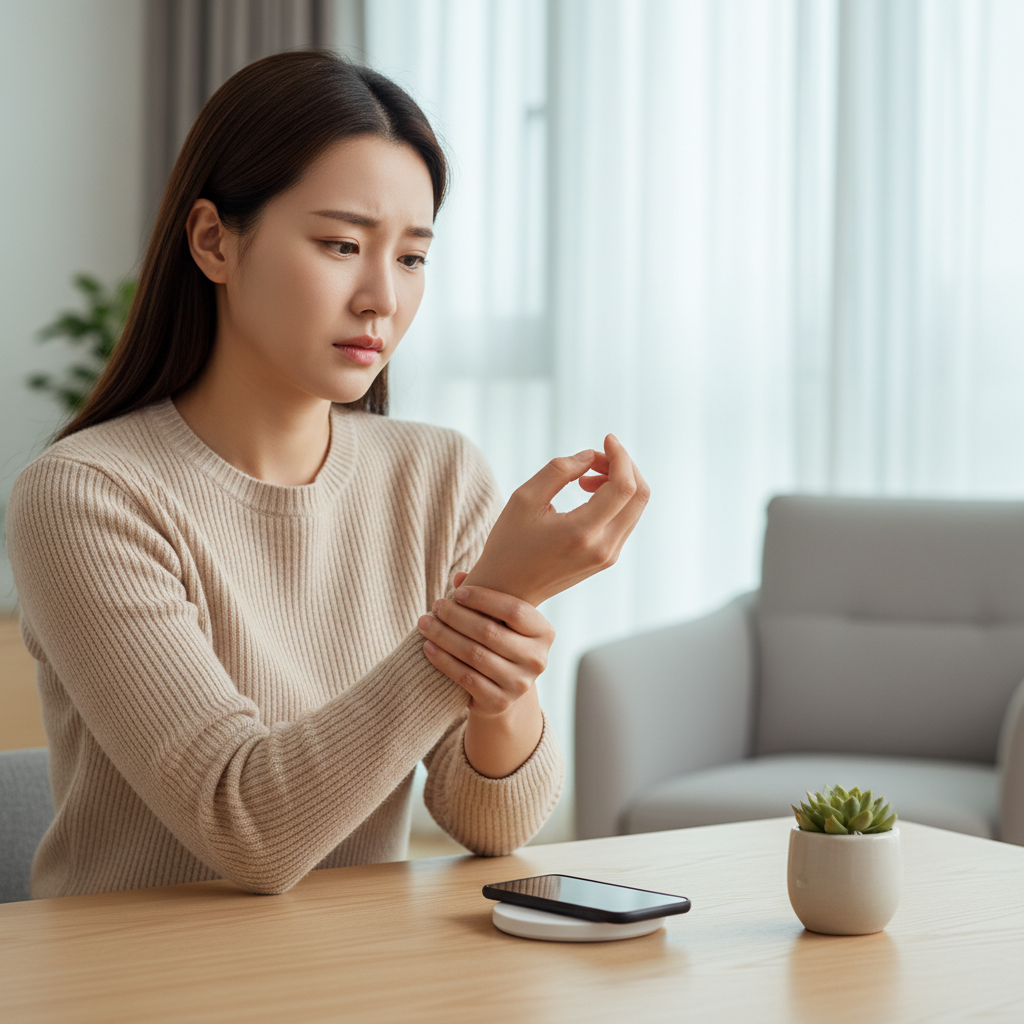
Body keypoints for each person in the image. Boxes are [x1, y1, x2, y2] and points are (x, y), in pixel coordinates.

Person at [5, 51, 648, 899]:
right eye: (342, 244)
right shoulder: (87, 495)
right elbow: (246, 828)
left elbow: (493, 822)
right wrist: (486, 603)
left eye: (412, 257)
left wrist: (498, 658)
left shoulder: (437, 473)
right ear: (214, 242)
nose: (381, 296)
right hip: (135, 983)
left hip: (349, 974)